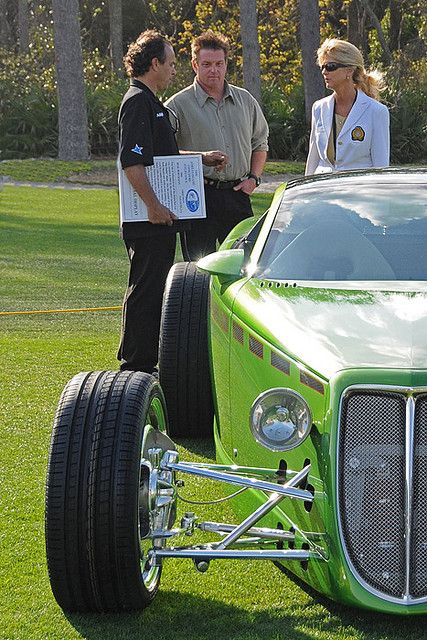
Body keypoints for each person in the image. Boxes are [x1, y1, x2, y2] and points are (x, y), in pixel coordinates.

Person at [117, 30, 226, 373]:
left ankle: (149, 361)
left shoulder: (151, 102)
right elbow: (131, 161)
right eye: (171, 63)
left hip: (160, 218)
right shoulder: (137, 101)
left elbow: (161, 155)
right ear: (154, 64)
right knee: (147, 288)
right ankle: (136, 364)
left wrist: (200, 158)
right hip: (149, 220)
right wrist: (152, 205)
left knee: (157, 285)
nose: (174, 70)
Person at [166, 30, 269, 260]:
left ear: (226, 63)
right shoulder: (176, 105)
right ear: (195, 64)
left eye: (219, 63)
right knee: (198, 267)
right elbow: (164, 152)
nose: (214, 70)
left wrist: (253, 179)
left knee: (245, 264)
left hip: (238, 194)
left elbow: (260, 142)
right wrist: (198, 158)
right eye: (207, 64)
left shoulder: (245, 100)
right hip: (197, 197)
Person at [305, 38, 390, 175]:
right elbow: (313, 159)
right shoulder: (319, 108)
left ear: (349, 71)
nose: (324, 72)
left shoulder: (377, 111)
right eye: (323, 67)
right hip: (323, 189)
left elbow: (381, 166)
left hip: (358, 191)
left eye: (330, 67)